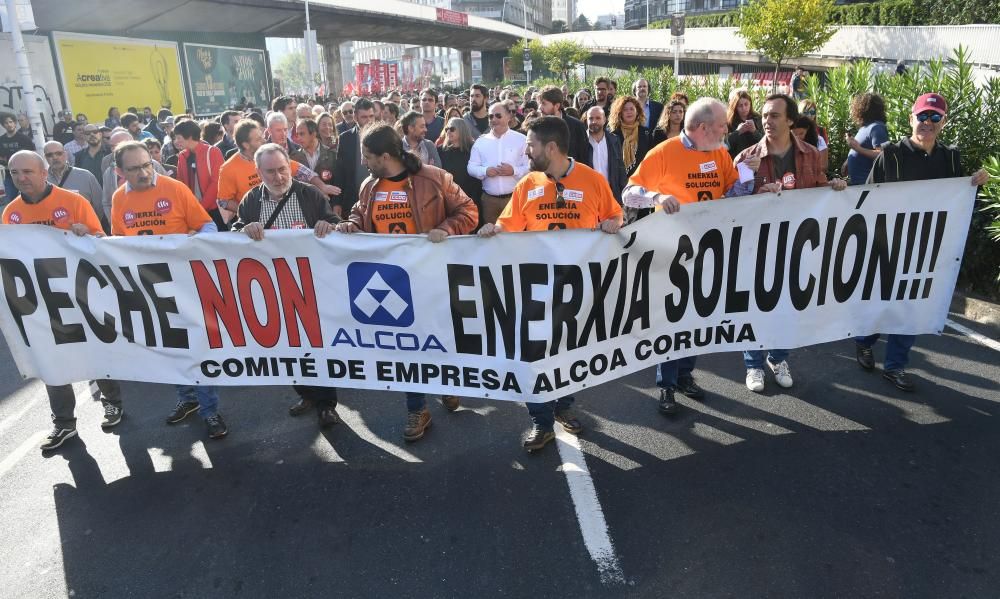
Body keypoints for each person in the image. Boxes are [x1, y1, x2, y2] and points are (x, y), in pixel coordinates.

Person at [478, 116, 623, 452]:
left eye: (531, 145)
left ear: (551, 147)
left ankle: (564, 406)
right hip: (534, 288)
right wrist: (493, 230)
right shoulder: (527, 184)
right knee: (533, 356)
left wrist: (614, 223)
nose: (526, 150)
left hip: (577, 287)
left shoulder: (592, 180)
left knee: (567, 352)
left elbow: (616, 214)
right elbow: (508, 226)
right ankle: (541, 421)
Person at [336, 124, 477, 441]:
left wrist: (446, 228)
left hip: (431, 275)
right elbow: (360, 213)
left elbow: (468, 211)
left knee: (439, 337)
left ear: (385, 156)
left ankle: (448, 382)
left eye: (367, 156)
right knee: (405, 347)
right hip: (389, 280)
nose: (364, 162)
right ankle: (418, 408)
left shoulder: (433, 178)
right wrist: (352, 224)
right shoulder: (369, 186)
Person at [623, 97, 755, 416]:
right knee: (671, 319)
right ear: (702, 128)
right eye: (723, 125)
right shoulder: (665, 152)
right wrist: (657, 195)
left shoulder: (720, 153)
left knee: (699, 318)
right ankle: (666, 384)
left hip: (708, 250)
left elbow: (733, 194)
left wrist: (750, 178)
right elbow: (628, 193)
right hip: (671, 253)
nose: (728, 129)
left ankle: (684, 376)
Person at [855, 93, 990, 391]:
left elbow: (958, 201)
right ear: (910, 118)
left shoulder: (950, 157)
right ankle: (864, 341)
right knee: (884, 304)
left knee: (912, 309)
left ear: (943, 122)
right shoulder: (890, 154)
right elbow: (867, 197)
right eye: (922, 116)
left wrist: (976, 184)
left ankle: (895, 367)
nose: (927, 123)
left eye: (935, 117)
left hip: (927, 249)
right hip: (889, 246)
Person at [2, 150, 123, 451]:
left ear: (44, 172)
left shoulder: (73, 201)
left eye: (27, 172)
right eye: (15, 173)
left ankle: (113, 403)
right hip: (42, 302)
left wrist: (87, 233)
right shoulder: (11, 213)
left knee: (94, 351)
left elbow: (100, 242)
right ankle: (64, 423)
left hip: (80, 293)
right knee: (51, 358)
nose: (21, 178)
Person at [109, 141, 228, 439]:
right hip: (149, 289)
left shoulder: (175, 189)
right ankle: (186, 398)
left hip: (186, 285)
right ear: (119, 172)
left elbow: (208, 227)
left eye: (147, 164)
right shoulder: (118, 200)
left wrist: (191, 244)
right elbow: (117, 244)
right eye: (134, 168)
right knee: (170, 348)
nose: (144, 172)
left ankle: (209, 410)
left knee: (195, 349)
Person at [734, 93, 848, 392]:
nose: (767, 121)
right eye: (765, 115)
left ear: (790, 120)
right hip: (758, 246)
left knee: (788, 305)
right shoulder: (747, 157)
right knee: (755, 305)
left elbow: (818, 187)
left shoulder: (810, 153)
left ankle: (778, 357)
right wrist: (755, 192)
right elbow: (730, 203)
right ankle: (753, 364)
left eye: (774, 115)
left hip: (797, 244)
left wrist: (833, 187)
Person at [230, 143, 342, 427]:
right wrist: (243, 230)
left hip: (312, 285)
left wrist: (329, 226)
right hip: (272, 288)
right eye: (271, 172)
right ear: (258, 172)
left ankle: (327, 404)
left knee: (317, 346)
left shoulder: (310, 195)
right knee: (287, 347)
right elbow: (232, 234)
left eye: (283, 169)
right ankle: (306, 393)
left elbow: (335, 223)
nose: (279, 177)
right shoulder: (251, 200)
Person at [216, 119, 336, 220]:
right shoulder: (228, 168)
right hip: (255, 226)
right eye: (258, 139)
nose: (264, 140)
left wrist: (322, 187)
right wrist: (248, 212)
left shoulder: (271, 156)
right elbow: (224, 201)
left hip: (287, 214)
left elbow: (305, 172)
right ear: (246, 145)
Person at [467, 101, 530, 226]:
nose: (494, 119)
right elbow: (471, 167)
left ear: (508, 117)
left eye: (498, 116)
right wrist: (485, 171)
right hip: (489, 201)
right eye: (491, 116)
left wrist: (514, 171)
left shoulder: (521, 139)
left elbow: (530, 167)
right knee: (491, 238)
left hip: (515, 199)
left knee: (515, 235)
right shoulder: (481, 142)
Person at [173, 119, 227, 230]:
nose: (176, 141)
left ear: (189, 136)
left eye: (179, 137)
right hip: (193, 211)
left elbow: (216, 183)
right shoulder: (182, 156)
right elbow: (180, 183)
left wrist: (201, 207)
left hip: (213, 209)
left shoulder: (212, 152)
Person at [43, 141, 105, 227]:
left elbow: (100, 206)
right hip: (54, 235)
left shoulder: (85, 176)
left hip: (84, 234)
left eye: (58, 153)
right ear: (45, 158)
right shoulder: (41, 180)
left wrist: (90, 226)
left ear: (65, 154)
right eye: (50, 155)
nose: (55, 157)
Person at [333, 98, 378, 215]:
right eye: (364, 117)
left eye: (371, 116)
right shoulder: (345, 138)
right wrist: (337, 202)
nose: (369, 120)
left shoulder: (383, 136)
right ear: (355, 117)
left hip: (378, 198)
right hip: (352, 200)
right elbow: (339, 172)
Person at [439, 117, 483, 223]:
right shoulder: (441, 151)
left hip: (471, 198)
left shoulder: (474, 149)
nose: (448, 131)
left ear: (462, 129)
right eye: (446, 129)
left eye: (452, 129)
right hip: (448, 201)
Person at [537, 85, 592, 167]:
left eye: (544, 103)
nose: (540, 108)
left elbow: (584, 158)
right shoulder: (538, 128)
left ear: (557, 106)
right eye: (540, 103)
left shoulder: (576, 126)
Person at [289, 117, 339, 206]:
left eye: (302, 134)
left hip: (329, 206)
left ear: (313, 134)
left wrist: (337, 205)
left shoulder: (332, 155)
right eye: (297, 134)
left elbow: (338, 183)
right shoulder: (294, 158)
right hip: (305, 207)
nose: (298, 138)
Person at [585, 105, 626, 203]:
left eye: (598, 118)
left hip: (611, 195)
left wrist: (623, 195)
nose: (594, 121)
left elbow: (620, 168)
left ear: (604, 120)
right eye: (591, 118)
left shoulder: (614, 140)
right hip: (588, 197)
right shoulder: (582, 141)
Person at [845, 92, 888, 185]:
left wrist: (857, 148)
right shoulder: (865, 127)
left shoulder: (876, 127)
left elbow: (883, 155)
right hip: (859, 186)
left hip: (869, 187)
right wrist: (848, 161)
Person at [609, 96, 652, 180]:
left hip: (643, 180)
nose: (629, 112)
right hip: (621, 182)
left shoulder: (646, 133)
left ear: (637, 112)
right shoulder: (613, 135)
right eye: (625, 110)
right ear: (620, 113)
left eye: (632, 109)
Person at [0, 112, 35, 203]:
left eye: (11, 122)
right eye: (6, 123)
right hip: (10, 175)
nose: (9, 125)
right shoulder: (1, 140)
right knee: (11, 201)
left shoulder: (24, 139)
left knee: (30, 199)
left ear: (15, 123)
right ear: (3, 125)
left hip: (26, 173)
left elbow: (32, 155)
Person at [725, 90, 763, 158]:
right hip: (736, 161)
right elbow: (725, 144)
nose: (744, 108)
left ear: (750, 104)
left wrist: (754, 131)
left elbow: (765, 142)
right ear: (735, 107)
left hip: (755, 161)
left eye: (746, 104)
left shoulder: (758, 119)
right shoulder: (729, 121)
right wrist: (738, 132)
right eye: (740, 106)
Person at [797, 99, 829, 171]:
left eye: (812, 112)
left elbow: (824, 162)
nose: (809, 115)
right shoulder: (791, 129)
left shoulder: (821, 131)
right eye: (805, 112)